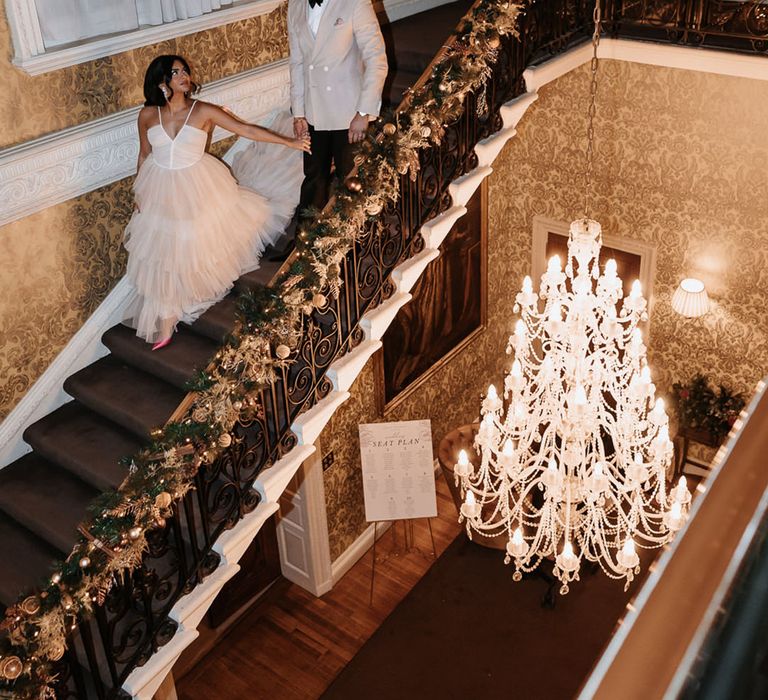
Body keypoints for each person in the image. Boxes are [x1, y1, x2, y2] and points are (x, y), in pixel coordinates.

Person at [123, 55, 311, 349]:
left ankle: (178, 307)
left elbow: (246, 130)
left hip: (197, 185)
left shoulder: (204, 111)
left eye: (185, 70)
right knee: (164, 251)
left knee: (192, 244)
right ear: (162, 81)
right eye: (176, 72)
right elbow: (144, 154)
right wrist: (139, 192)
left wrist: (289, 142)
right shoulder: (147, 115)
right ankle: (167, 315)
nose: (184, 75)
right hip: (158, 187)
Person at [276, 0, 387, 258]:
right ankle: (304, 245)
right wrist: (299, 112)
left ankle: (357, 246)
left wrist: (363, 113)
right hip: (314, 112)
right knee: (314, 179)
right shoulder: (295, 6)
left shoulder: (354, 3)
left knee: (351, 181)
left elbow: (376, 58)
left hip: (348, 114)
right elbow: (297, 62)